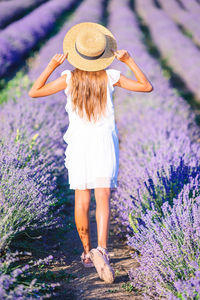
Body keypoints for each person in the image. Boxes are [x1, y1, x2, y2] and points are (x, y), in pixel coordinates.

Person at [28, 22, 153, 284]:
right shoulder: (111, 76)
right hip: (104, 142)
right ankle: (102, 250)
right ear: (103, 54)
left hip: (79, 144)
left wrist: (51, 66)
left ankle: (86, 252)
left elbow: (34, 91)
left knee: (81, 200)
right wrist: (129, 60)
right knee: (103, 197)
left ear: (76, 53)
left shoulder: (68, 78)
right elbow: (146, 86)